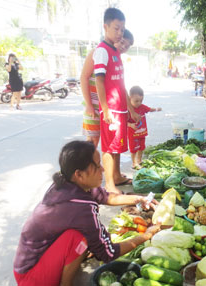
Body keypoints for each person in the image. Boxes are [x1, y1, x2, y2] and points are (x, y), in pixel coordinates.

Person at [13, 140, 161, 286]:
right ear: (79, 174)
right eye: (97, 166)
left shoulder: (67, 183)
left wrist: (137, 199)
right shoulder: (80, 208)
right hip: (32, 277)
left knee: (85, 237)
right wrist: (147, 235)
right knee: (80, 237)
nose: (103, 169)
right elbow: (107, 253)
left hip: (28, 264)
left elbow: (105, 196)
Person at [93, 8, 140, 193]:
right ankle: (110, 185)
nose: (120, 33)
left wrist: (130, 108)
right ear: (106, 27)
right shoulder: (102, 51)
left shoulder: (115, 52)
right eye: (116, 28)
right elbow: (99, 81)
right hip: (111, 109)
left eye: (122, 29)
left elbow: (121, 84)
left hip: (120, 108)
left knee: (118, 145)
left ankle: (118, 176)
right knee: (108, 147)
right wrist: (105, 109)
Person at [80, 29, 134, 148]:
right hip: (94, 106)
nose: (124, 47)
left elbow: (121, 87)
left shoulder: (117, 58)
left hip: (110, 108)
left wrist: (130, 109)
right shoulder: (98, 52)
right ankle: (90, 166)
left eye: (128, 46)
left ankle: (96, 166)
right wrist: (89, 104)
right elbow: (84, 77)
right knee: (92, 141)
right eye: (122, 42)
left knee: (107, 140)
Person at [127, 86, 162, 169]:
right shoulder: (128, 109)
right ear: (129, 98)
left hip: (142, 133)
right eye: (136, 101)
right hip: (133, 135)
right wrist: (131, 125)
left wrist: (157, 109)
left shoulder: (142, 107)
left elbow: (150, 109)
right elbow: (124, 122)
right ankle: (134, 162)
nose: (139, 103)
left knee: (142, 147)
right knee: (133, 149)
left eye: (141, 100)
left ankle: (139, 160)